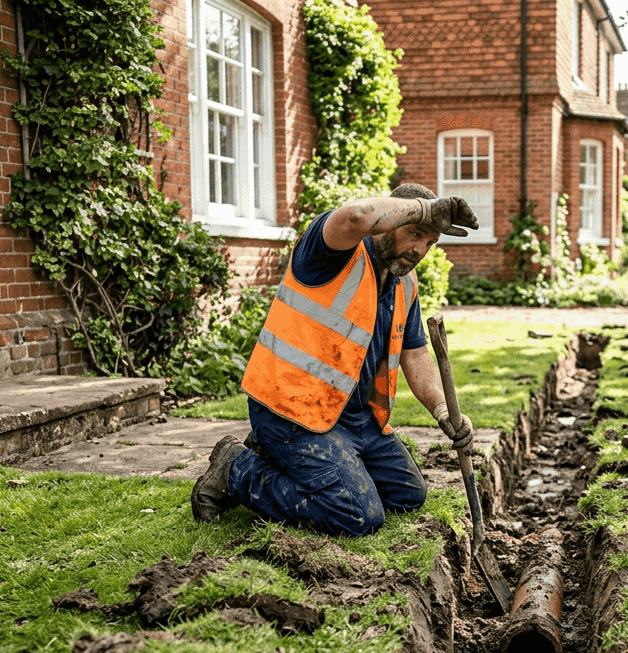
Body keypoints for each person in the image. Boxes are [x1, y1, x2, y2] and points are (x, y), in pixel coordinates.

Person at [190, 183, 480, 535]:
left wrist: (442, 409)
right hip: (292, 412)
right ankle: (236, 468)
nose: (420, 249)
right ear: (390, 220)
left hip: (355, 420)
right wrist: (425, 208)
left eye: (430, 242)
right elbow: (357, 216)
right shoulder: (330, 253)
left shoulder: (405, 281)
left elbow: (416, 353)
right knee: (358, 515)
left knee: (408, 494)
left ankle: (288, 459)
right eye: (415, 233)